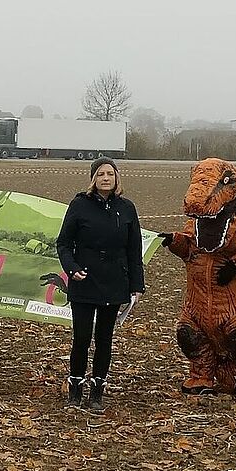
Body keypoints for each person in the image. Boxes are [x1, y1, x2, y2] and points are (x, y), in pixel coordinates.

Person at [54, 156, 145, 414]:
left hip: (115, 283)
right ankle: (75, 390)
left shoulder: (126, 208)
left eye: (110, 174)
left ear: (117, 178)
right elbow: (63, 243)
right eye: (101, 174)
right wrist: (71, 269)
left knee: (104, 339)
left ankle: (97, 392)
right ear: (93, 179)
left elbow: (134, 249)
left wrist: (136, 285)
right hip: (85, 282)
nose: (106, 178)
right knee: (81, 338)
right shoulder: (79, 205)